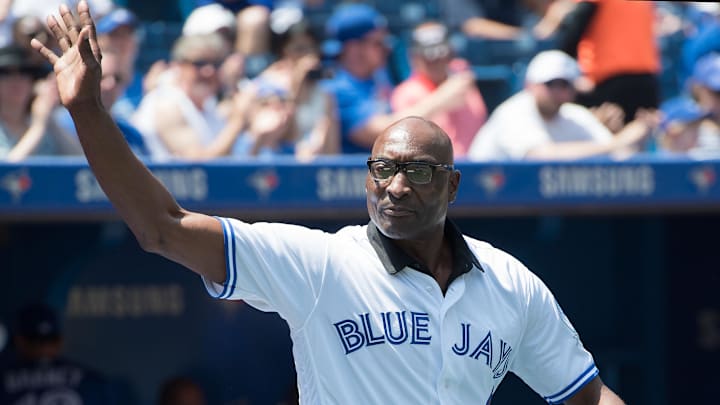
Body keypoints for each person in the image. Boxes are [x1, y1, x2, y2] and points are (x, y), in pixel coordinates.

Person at [31, 2, 626, 403]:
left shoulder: (509, 282)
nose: (395, 186)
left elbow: (586, 393)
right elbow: (163, 227)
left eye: (417, 171)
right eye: (382, 169)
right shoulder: (321, 264)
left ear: (452, 186)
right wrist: (87, 110)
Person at [322, 3, 477, 154]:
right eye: (378, 43)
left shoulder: (378, 77)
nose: (387, 48)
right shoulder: (338, 89)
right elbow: (385, 133)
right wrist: (443, 97)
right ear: (354, 49)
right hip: (357, 176)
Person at [467, 50, 653, 161]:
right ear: (530, 85)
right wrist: (619, 140)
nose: (559, 92)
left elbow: (616, 154)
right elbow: (538, 156)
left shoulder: (574, 115)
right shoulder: (514, 112)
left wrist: (638, 139)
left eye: (566, 85)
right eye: (551, 84)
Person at [391, 21, 487, 159]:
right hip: (435, 172)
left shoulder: (462, 78)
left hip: (474, 166)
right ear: (414, 58)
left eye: (441, 54)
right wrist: (443, 98)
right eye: (429, 57)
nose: (436, 61)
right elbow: (402, 132)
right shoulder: (405, 92)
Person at [554, 0, 661, 124]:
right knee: (641, 133)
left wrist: (566, 71)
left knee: (603, 133)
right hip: (646, 78)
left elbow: (575, 29)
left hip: (610, 80)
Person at [0, 303, 114, 404]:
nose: (43, 347)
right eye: (34, 341)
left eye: (50, 340)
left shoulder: (91, 381)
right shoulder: (90, 379)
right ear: (19, 341)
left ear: (60, 341)